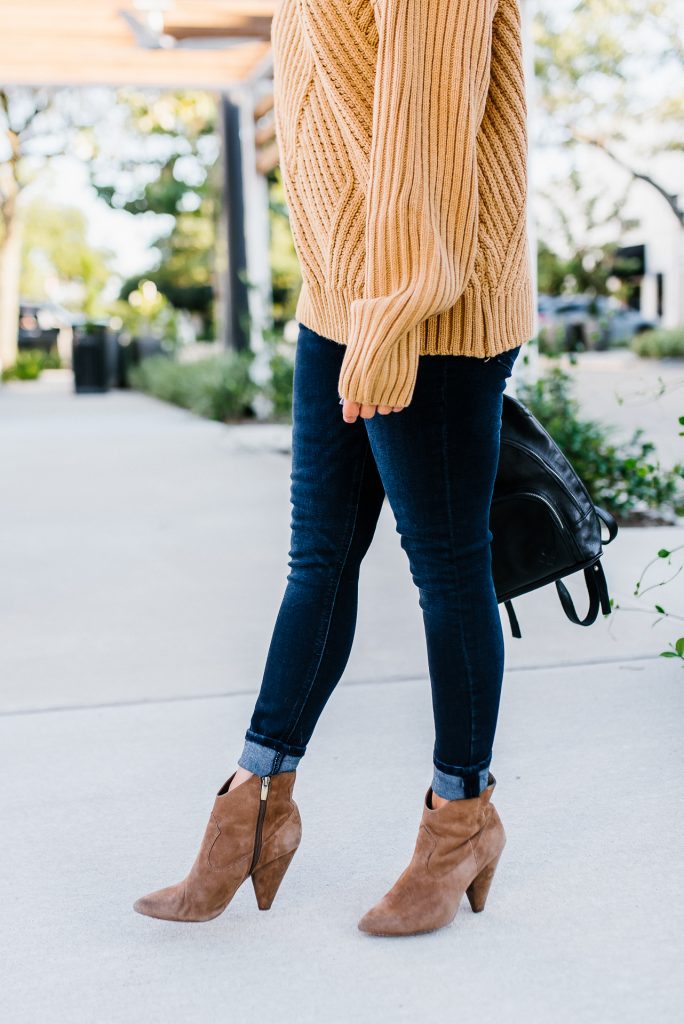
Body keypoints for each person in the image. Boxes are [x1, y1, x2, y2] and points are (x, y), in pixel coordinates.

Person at [133, 0, 534, 936]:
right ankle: (252, 803)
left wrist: (390, 320)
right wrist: (343, 305)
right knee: (317, 562)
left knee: (445, 570)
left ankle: (461, 819)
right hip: (338, 298)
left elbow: (426, 136)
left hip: (427, 307)